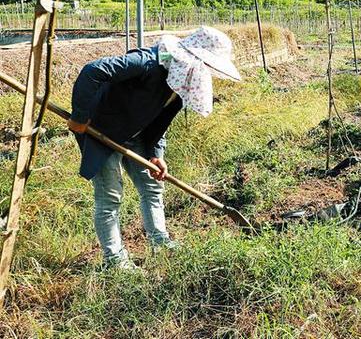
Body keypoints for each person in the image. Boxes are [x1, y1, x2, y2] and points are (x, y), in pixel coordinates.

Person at [68, 26, 241, 269]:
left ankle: (159, 241)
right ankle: (114, 260)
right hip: (102, 132)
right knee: (110, 196)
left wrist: (154, 155)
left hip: (135, 136)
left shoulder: (181, 87)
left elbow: (158, 124)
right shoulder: (148, 62)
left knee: (152, 187)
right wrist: (80, 116)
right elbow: (92, 71)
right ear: (193, 60)